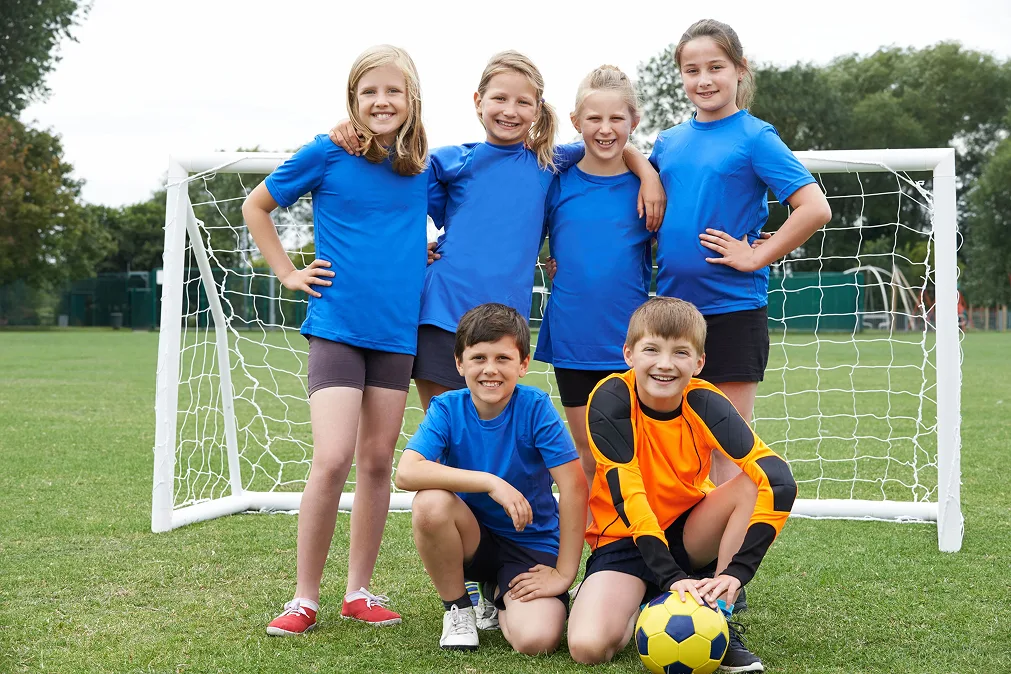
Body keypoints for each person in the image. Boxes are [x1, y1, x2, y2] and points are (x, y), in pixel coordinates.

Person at [329, 50, 665, 413]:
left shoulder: (548, 162)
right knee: (450, 435)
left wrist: (648, 175)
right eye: (500, 98)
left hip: (506, 325)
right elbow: (389, 188)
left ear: (537, 109)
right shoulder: (450, 161)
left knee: (491, 438)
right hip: (444, 316)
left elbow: (606, 141)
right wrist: (351, 128)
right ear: (478, 102)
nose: (510, 110)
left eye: (522, 101)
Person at [242, 45, 429, 635]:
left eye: (392, 91)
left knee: (377, 462)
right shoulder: (328, 152)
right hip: (338, 327)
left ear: (411, 99)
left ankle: (359, 591)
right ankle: (303, 598)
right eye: (369, 92)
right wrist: (288, 273)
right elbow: (257, 206)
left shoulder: (424, 165)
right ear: (353, 100)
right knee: (331, 459)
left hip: (397, 332)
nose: (381, 101)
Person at [566, 297, 797, 673]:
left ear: (699, 362)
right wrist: (669, 577)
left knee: (754, 483)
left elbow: (778, 480)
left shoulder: (706, 402)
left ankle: (718, 610)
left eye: (680, 353)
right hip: (625, 538)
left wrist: (736, 573)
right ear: (629, 354)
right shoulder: (609, 399)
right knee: (588, 647)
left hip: (690, 533)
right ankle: (651, 596)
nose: (665, 364)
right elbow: (630, 495)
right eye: (651, 349)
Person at [649, 19, 832, 485]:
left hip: (732, 310)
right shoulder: (668, 141)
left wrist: (755, 256)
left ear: (739, 69)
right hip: (673, 314)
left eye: (715, 67)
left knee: (728, 447)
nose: (703, 79)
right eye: (692, 70)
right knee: (678, 446)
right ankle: (680, 555)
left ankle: (725, 557)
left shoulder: (755, 137)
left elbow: (814, 208)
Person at [394, 303, 588, 653]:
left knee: (536, 641)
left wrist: (564, 573)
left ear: (523, 364)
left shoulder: (535, 407)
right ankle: (458, 607)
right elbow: (406, 472)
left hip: (530, 542)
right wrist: (490, 482)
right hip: (474, 539)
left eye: (502, 358)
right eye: (479, 358)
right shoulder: (447, 408)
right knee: (430, 502)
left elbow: (574, 486)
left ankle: (497, 593)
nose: (490, 370)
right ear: (460, 363)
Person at [534, 64, 653, 489]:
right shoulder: (555, 180)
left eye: (616, 118)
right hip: (573, 339)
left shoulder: (650, 184)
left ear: (634, 122)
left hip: (633, 344)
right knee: (589, 457)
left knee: (635, 455)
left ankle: (643, 548)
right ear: (576, 122)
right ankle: (589, 552)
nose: (605, 129)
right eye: (594, 119)